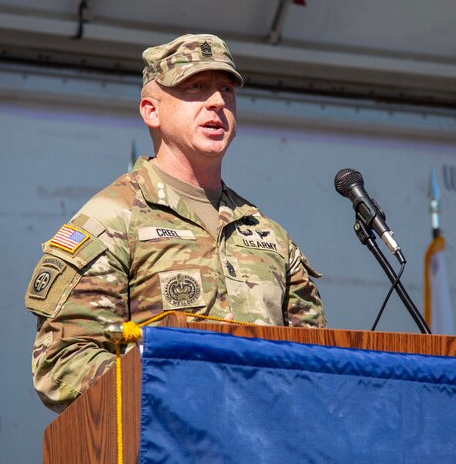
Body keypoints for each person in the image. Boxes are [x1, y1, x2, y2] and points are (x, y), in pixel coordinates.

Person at [24, 34, 326, 412]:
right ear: (152, 110)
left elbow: (317, 365)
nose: (217, 102)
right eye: (196, 88)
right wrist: (176, 391)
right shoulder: (112, 221)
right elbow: (62, 363)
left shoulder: (269, 236)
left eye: (226, 90)